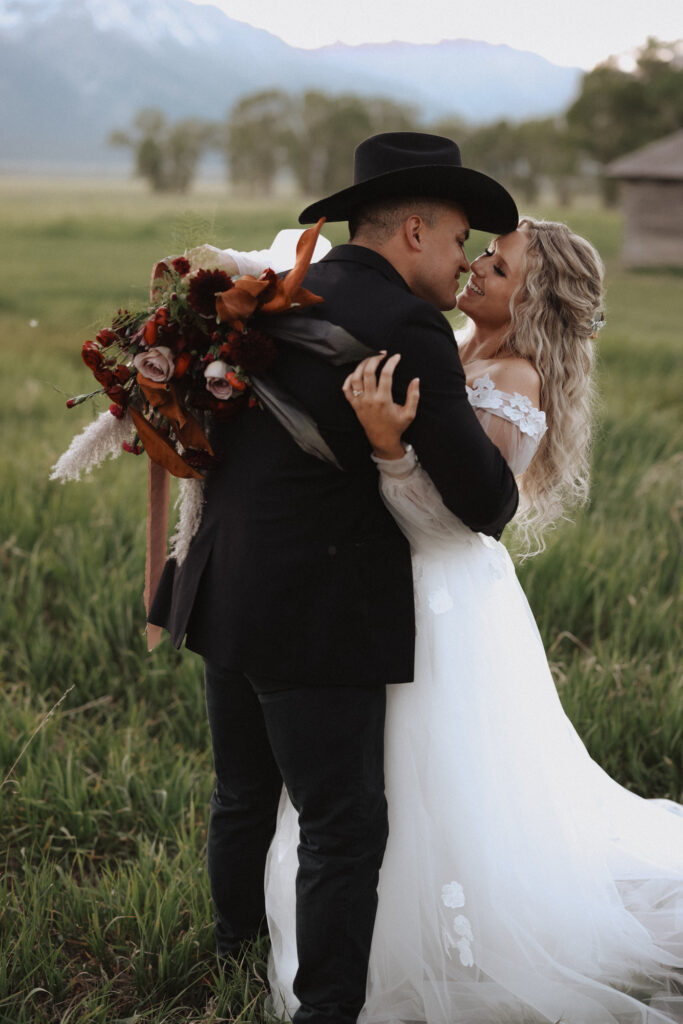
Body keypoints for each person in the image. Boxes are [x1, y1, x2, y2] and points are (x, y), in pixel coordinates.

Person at [263, 218, 683, 1023]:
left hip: (443, 594)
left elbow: (457, 520)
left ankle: (444, 941)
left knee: (433, 770)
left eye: (500, 263)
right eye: (483, 253)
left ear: (535, 296)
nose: (479, 266)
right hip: (393, 585)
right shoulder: (454, 346)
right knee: (374, 767)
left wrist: (387, 449)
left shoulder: (515, 379)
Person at [147, 132, 521, 1024]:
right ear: (418, 230)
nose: (465, 258)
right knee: (343, 828)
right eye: (463, 236)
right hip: (316, 612)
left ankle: (234, 953)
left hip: (221, 586)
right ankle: (324, 1012)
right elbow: (485, 500)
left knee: (241, 790)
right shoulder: (406, 328)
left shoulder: (264, 294)